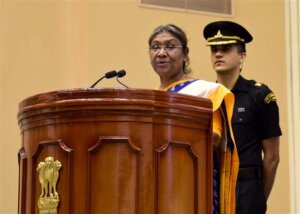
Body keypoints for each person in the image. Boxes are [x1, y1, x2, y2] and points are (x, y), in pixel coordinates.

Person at [148, 24, 239, 214]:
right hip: (154, 188)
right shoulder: (148, 100)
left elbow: (213, 138)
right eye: (155, 47)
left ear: (185, 54)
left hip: (191, 188)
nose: (161, 53)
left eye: (170, 46)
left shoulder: (205, 91)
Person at [203, 21, 281, 214]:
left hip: (247, 187)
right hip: (211, 188)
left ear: (242, 56)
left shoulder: (260, 96)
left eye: (226, 49)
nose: (218, 54)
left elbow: (272, 157)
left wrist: (258, 196)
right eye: (214, 50)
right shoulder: (205, 97)